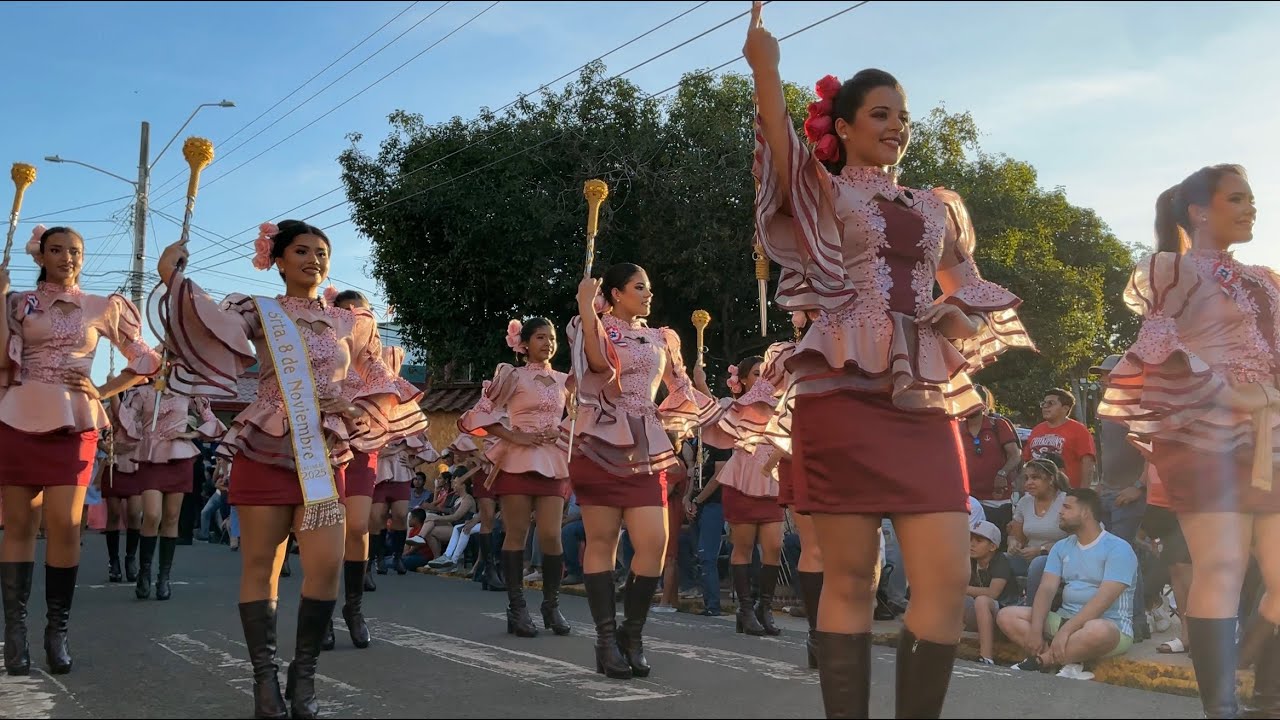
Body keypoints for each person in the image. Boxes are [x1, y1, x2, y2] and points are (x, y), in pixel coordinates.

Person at [745, 4, 1034, 717]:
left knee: (939, 582)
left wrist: (959, 315)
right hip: (840, 392)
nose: (897, 126)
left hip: (922, 400)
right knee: (849, 577)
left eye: (902, 115)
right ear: (842, 127)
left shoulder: (937, 205)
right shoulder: (823, 191)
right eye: (880, 114)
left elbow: (965, 291)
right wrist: (767, 71)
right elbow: (780, 154)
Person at [155, 220, 426, 718]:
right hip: (266, 449)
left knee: (324, 565)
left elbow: (378, 375)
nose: (313, 259)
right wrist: (174, 280)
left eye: (321, 252)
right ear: (277, 260)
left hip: (324, 454)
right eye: (301, 251)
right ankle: (265, 682)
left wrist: (358, 403)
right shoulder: (259, 311)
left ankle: (304, 679)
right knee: (263, 566)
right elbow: (208, 329)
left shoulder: (353, 322)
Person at [1098, 164, 1280, 718]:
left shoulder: (1266, 278)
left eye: (1252, 199)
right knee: (1222, 567)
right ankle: (1223, 710)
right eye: (1237, 199)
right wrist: (1228, 392)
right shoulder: (1171, 270)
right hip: (1202, 430)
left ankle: (1265, 699)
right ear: (1200, 211)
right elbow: (1157, 347)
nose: (1250, 208)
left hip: (1270, 434)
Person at [0, 225, 161, 677]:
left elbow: (147, 360)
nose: (67, 258)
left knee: (65, 528)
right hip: (16, 416)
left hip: (75, 421)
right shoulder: (18, 303)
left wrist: (102, 388)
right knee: (18, 526)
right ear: (41, 257)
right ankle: (15, 634)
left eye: (75, 251)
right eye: (57, 250)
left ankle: (57, 632)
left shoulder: (102, 306)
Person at [566, 262, 719, 680]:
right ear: (616, 293)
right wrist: (585, 308)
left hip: (647, 445)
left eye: (649, 288)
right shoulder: (594, 326)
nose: (648, 294)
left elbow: (680, 388)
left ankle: (631, 636)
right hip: (600, 441)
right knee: (601, 541)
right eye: (639, 287)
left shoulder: (661, 337)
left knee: (654, 542)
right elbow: (599, 366)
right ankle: (605, 640)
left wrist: (711, 405)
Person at [459, 318, 572, 638]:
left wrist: (564, 431)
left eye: (551, 338)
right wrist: (512, 435)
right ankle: (517, 607)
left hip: (553, 459)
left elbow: (580, 416)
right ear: (524, 343)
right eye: (540, 337)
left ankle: (551, 605)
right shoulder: (511, 375)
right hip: (517, 459)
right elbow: (481, 412)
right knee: (517, 533)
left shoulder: (566, 380)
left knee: (551, 535)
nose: (548, 343)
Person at [997, 489, 1139, 679]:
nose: (1060, 512)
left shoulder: (1119, 548)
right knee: (1006, 616)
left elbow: (1103, 600)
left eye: (1067, 507)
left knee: (1099, 631)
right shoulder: (1061, 547)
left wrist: (1066, 630)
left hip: (1109, 625)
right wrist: (1036, 630)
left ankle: (1041, 661)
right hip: (1064, 619)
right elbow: (1046, 590)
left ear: (1085, 513)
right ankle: (1071, 658)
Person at [704, 352, 788, 638]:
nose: (763, 378)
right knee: (743, 547)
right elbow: (708, 410)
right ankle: (746, 609)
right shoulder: (733, 406)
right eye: (755, 374)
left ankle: (765, 608)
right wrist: (700, 381)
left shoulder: (781, 405)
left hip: (771, 481)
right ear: (740, 379)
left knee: (774, 546)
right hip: (741, 480)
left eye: (766, 373)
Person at [116, 379, 224, 601]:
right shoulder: (143, 392)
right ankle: (144, 572)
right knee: (152, 515)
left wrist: (190, 434)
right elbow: (125, 419)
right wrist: (113, 392)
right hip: (151, 457)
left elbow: (212, 421)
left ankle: (163, 578)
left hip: (179, 458)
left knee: (172, 518)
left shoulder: (189, 393)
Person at [959, 384, 1021, 539]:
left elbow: (1015, 455)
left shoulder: (998, 425)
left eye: (972, 400)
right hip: (969, 500)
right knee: (970, 545)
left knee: (996, 544)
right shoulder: (957, 428)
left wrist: (1002, 473)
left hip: (997, 500)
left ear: (983, 404)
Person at [1007, 459, 1070, 604]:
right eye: (1026, 478)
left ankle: (1031, 609)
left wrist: (1042, 550)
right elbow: (1017, 537)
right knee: (1002, 559)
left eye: (1035, 478)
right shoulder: (1025, 502)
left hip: (1060, 558)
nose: (1028, 482)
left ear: (1051, 479)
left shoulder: (1066, 501)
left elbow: (1076, 540)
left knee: (1039, 563)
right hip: (1029, 556)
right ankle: (1007, 603)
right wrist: (1013, 543)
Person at [965, 520, 1018, 666]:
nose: (972, 544)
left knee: (982, 600)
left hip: (1004, 615)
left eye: (979, 540)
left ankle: (986, 657)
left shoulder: (1000, 560)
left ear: (993, 546)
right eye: (970, 539)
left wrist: (961, 588)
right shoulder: (969, 560)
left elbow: (993, 593)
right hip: (979, 616)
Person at [1023, 388, 1097, 489]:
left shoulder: (1078, 430)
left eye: (1051, 403)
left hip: (1065, 491)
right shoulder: (1037, 430)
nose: (1045, 407)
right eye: (1043, 403)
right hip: (1037, 491)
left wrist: (1083, 491)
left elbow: (1088, 462)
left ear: (1065, 408)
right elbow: (1027, 461)